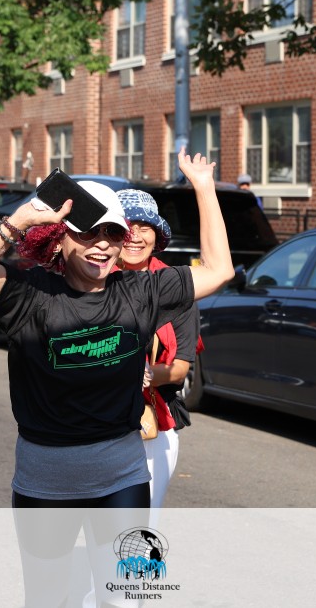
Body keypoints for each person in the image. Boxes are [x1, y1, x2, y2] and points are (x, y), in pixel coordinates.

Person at [0, 149, 233, 607]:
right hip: (45, 479)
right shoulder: (30, 295)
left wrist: (203, 187)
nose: (102, 244)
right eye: (88, 232)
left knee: (127, 595)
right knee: (46, 599)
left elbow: (220, 270)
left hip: (122, 475)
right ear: (60, 237)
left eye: (112, 233)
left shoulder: (141, 291)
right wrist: (20, 220)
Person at [116, 188, 198, 511]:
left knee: (140, 525)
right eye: (126, 227)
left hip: (151, 424)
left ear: (157, 236)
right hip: (91, 424)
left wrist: (143, 373)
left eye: (145, 227)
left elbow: (180, 368)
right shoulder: (91, 280)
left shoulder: (176, 287)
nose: (135, 236)